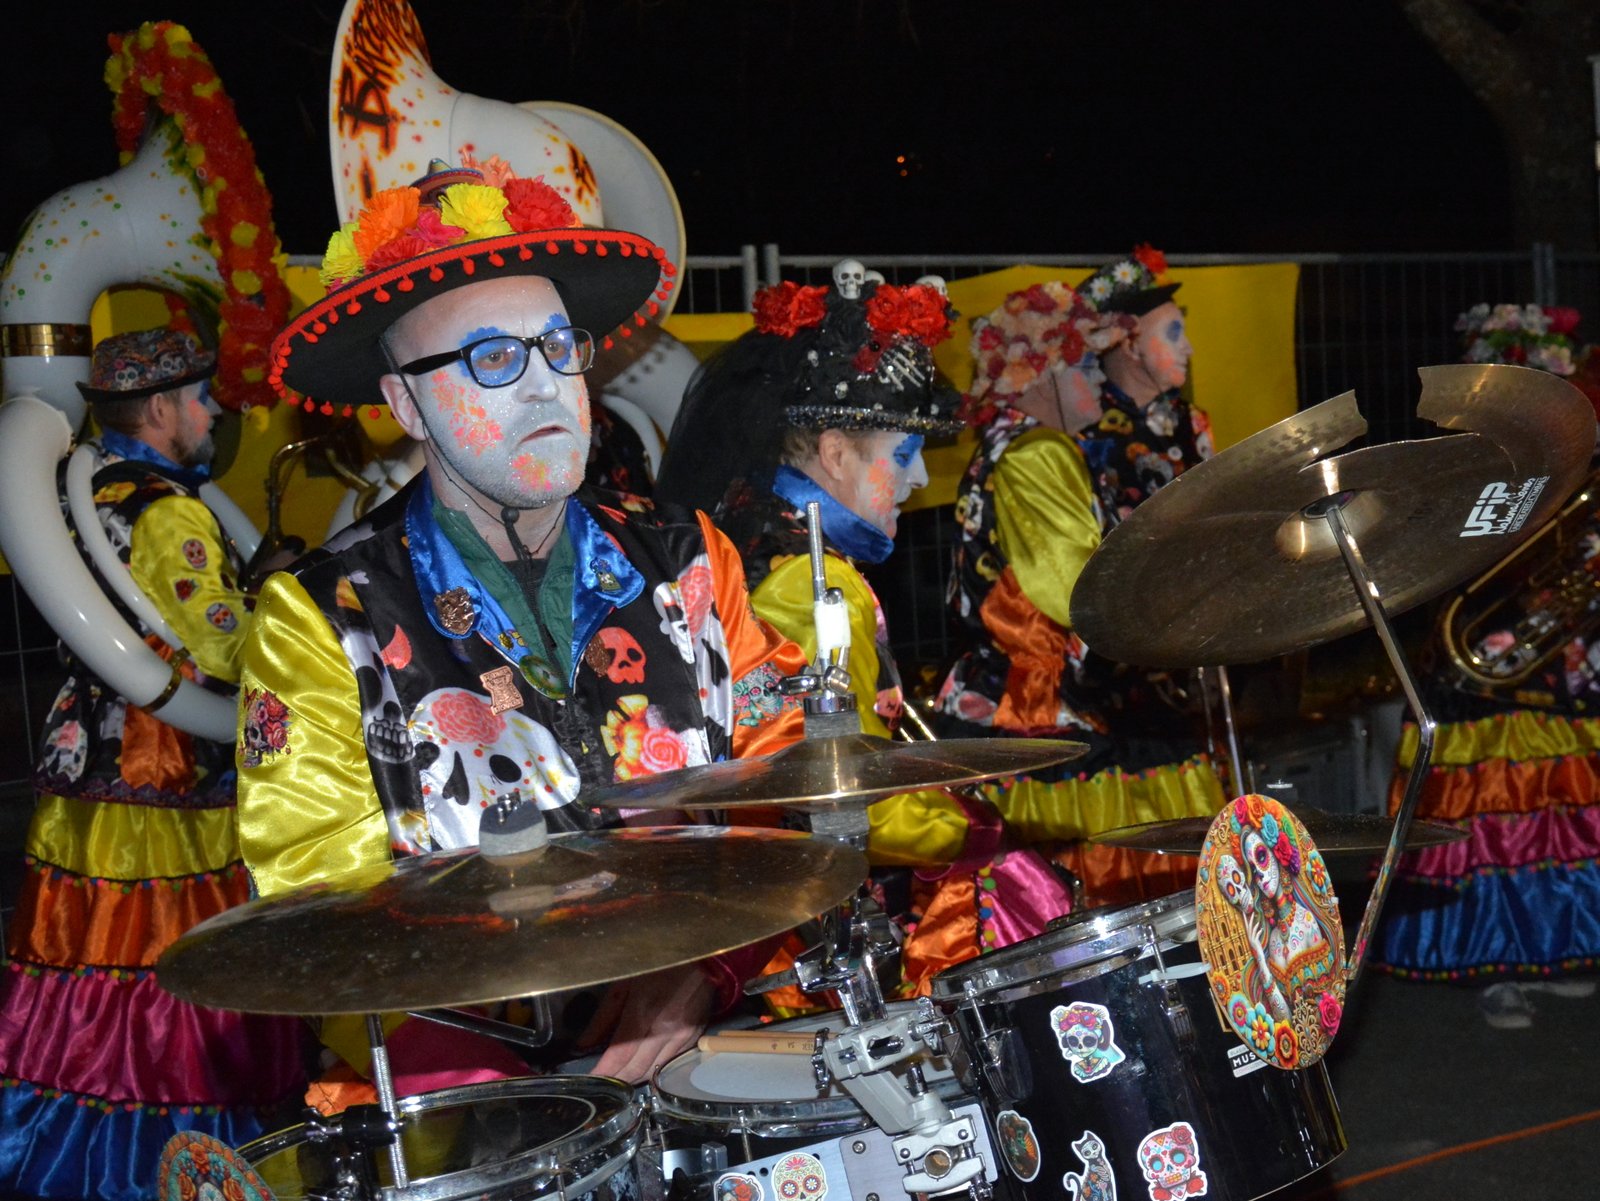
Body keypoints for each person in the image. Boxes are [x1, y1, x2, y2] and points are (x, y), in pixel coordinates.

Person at [240, 164, 805, 1092]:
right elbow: (319, 910)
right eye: (494, 359)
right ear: (406, 404)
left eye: (558, 347)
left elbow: (787, 783)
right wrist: (516, 1098)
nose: (546, 387)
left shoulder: (690, 555)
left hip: (719, 1042)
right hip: (487, 1093)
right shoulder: (324, 613)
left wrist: (707, 974)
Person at [658, 268, 1075, 996]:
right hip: (799, 935)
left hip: (761, 894)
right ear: (835, 453)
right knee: (1010, 889)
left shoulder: (754, 546)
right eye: (903, 457)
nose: (918, 483)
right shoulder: (814, 581)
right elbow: (842, 793)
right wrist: (978, 826)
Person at [0, 329, 305, 1201]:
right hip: (164, 763)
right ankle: (183, 1162)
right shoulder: (169, 510)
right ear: (163, 406)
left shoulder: (94, 490)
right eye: (203, 400)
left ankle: (68, 1147)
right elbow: (222, 641)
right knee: (177, 960)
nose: (212, 416)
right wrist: (289, 594)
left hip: (88, 758)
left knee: (85, 955)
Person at [937, 264, 1226, 908]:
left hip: (1036, 692)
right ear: (1042, 377)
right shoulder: (1038, 453)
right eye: (1086, 365)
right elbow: (1083, 594)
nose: (1099, 377)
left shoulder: (1022, 446)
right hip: (1037, 702)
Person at [1374, 302, 1598, 1028]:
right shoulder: (1465, 461)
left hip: (1541, 652)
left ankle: (1550, 948)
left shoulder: (1566, 462)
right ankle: (1494, 965)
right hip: (1469, 651)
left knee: (1553, 811)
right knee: (1485, 819)